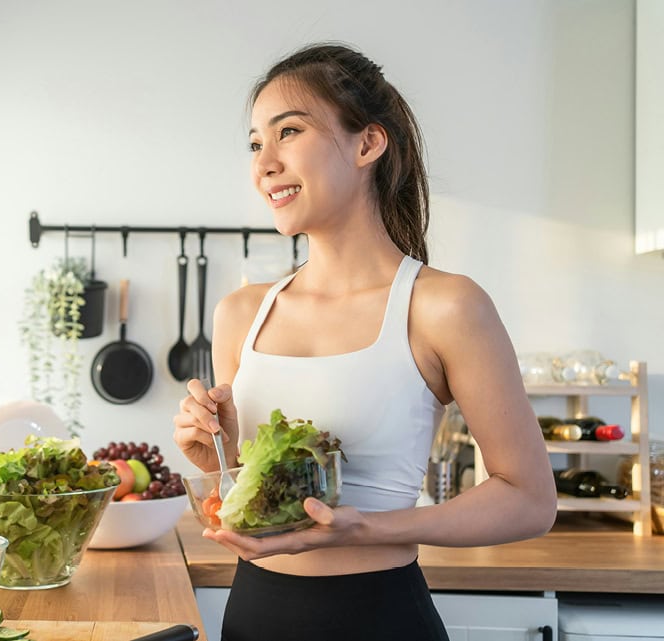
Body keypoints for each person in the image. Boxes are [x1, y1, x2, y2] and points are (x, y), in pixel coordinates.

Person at [173, 42, 557, 641]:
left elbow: (530, 499)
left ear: (367, 144)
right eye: (255, 144)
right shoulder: (240, 313)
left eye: (289, 132)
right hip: (252, 616)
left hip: (380, 617)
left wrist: (369, 527)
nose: (264, 163)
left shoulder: (444, 306)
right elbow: (259, 501)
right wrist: (219, 461)